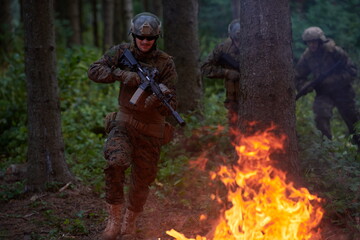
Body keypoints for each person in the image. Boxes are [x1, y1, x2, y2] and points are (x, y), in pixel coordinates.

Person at [87, 12, 177, 240]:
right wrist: (121, 74)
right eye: (140, 37)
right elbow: (94, 71)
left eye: (150, 39)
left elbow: (173, 104)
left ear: (157, 38)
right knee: (115, 162)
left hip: (151, 130)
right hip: (125, 124)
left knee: (142, 180)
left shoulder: (166, 63)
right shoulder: (121, 52)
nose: (145, 42)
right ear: (133, 35)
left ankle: (130, 223)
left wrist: (160, 97)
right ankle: (114, 220)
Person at [295, 26, 359, 149]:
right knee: (320, 115)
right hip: (324, 93)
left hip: (343, 91)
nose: (312, 45)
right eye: (309, 42)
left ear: (320, 41)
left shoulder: (334, 51)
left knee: (353, 121)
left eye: (314, 41)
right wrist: (305, 87)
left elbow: (352, 71)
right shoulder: (307, 57)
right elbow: (298, 77)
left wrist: (332, 80)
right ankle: (327, 148)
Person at [201, 19, 241, 129]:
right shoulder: (223, 48)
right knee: (235, 133)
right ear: (231, 36)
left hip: (255, 100)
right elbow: (205, 68)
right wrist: (226, 72)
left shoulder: (255, 48)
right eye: (236, 40)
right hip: (233, 100)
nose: (239, 43)